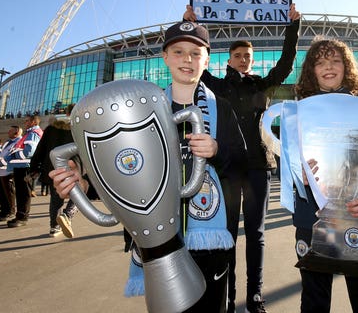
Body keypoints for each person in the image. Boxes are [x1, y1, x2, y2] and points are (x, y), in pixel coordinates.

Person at [50, 20, 246, 312]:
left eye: (196, 53)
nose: (187, 59)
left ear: (207, 60)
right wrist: (83, 186)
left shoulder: (223, 108)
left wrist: (217, 151)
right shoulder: (137, 112)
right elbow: (123, 173)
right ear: (165, 57)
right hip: (157, 246)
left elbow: (245, 166)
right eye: (178, 52)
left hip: (210, 244)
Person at [183, 3, 300, 313]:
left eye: (247, 56)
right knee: (229, 234)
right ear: (229, 59)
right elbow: (196, 66)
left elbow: (286, 64)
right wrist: (189, 26)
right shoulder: (218, 86)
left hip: (260, 167)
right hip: (229, 169)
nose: (244, 60)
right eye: (238, 56)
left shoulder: (262, 84)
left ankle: (255, 298)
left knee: (257, 235)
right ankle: (229, 297)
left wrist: (293, 27)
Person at [292, 38, 358, 313]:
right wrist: (296, 173)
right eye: (321, 62)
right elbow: (284, 159)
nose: (329, 67)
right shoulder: (298, 113)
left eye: (335, 60)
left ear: (347, 67)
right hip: (312, 221)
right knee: (314, 299)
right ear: (311, 70)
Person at [30, 104, 78, 237]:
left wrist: (33, 167)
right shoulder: (80, 127)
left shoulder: (51, 128)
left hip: (53, 169)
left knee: (56, 198)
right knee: (79, 196)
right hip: (74, 168)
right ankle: (67, 216)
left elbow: (41, 149)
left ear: (67, 113)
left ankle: (54, 227)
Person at [6, 115, 42, 227]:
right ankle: (20, 216)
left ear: (33, 122)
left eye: (27, 121)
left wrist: (14, 154)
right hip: (21, 166)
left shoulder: (33, 133)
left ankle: (22, 217)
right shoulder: (29, 133)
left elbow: (29, 151)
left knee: (24, 193)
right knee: (21, 193)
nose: (25, 122)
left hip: (25, 167)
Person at [0, 126, 22, 221]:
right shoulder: (7, 142)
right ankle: (3, 210)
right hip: (0, 171)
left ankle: (11, 212)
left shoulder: (19, 142)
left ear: (16, 132)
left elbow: (11, 156)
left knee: (9, 193)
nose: (8, 132)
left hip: (9, 171)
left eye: (10, 130)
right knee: (0, 193)